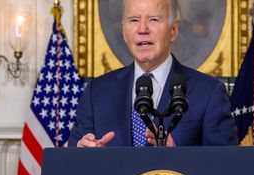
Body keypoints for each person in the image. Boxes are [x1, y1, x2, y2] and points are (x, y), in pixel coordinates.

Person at [68, 0, 238, 147]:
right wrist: (88, 157)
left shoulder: (209, 93)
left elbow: (225, 168)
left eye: (154, 19)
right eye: (134, 20)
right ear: (123, 31)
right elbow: (75, 165)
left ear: (173, 30)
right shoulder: (96, 93)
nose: (143, 29)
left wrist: (178, 155)